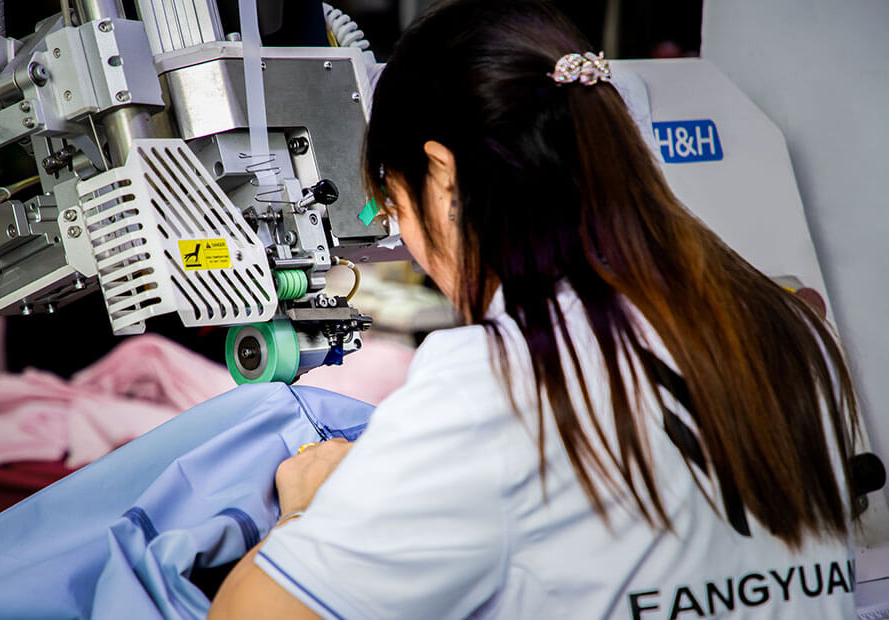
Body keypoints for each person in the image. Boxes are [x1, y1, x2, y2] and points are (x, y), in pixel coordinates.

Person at [209, 0, 860, 618]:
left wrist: (307, 513)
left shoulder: (493, 381)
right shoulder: (790, 332)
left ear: (441, 177)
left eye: (396, 207)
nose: (404, 238)